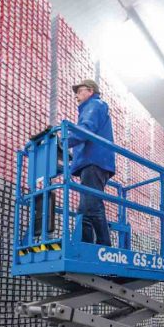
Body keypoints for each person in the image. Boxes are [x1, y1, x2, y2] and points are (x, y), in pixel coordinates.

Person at [60, 79, 116, 245]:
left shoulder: (95, 105)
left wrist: (63, 142)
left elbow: (86, 129)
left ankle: (104, 248)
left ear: (90, 90)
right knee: (83, 211)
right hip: (91, 162)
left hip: (94, 162)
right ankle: (85, 246)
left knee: (91, 205)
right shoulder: (91, 108)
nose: (76, 95)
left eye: (79, 91)